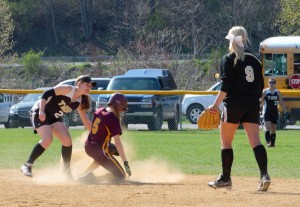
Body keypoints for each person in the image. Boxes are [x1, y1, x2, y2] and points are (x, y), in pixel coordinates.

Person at [207, 26, 271, 191]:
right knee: (255, 141)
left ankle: (226, 178)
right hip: (252, 104)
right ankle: (264, 175)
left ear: (232, 40)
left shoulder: (229, 58)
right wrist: (254, 102)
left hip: (234, 104)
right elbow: (261, 86)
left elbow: (226, 85)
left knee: (226, 141)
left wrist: (215, 105)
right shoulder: (255, 59)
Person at [20, 75, 95, 179]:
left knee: (67, 141)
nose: (89, 87)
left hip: (54, 118)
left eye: (90, 86)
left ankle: (66, 172)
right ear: (79, 84)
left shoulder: (80, 102)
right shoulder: (67, 89)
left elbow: (86, 122)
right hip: (40, 112)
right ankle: (27, 165)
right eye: (87, 84)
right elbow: (46, 94)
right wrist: (41, 111)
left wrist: (99, 134)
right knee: (48, 139)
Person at [82, 92, 131, 182]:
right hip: (98, 150)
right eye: (122, 108)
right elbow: (118, 142)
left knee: (111, 149)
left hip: (88, 146)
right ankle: (91, 178)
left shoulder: (100, 110)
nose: (122, 111)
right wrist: (125, 163)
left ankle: (84, 174)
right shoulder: (112, 118)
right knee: (121, 176)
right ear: (118, 106)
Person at [260, 78, 286, 147]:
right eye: (270, 82)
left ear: (275, 83)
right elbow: (261, 101)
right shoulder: (265, 91)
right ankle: (268, 143)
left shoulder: (277, 92)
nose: (271, 84)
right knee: (267, 128)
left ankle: (272, 144)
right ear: (268, 83)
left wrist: (285, 111)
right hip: (266, 112)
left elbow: (281, 102)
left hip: (274, 112)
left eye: (273, 82)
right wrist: (257, 108)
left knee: (273, 130)